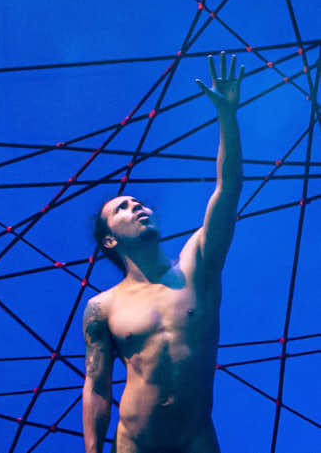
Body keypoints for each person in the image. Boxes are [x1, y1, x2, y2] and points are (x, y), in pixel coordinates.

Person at [82, 53, 246, 453]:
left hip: (197, 441)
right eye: (123, 208)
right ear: (109, 240)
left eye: (139, 202)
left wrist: (227, 116)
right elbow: (97, 385)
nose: (137, 207)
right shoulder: (102, 307)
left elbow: (227, 190)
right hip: (135, 444)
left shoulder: (197, 264)